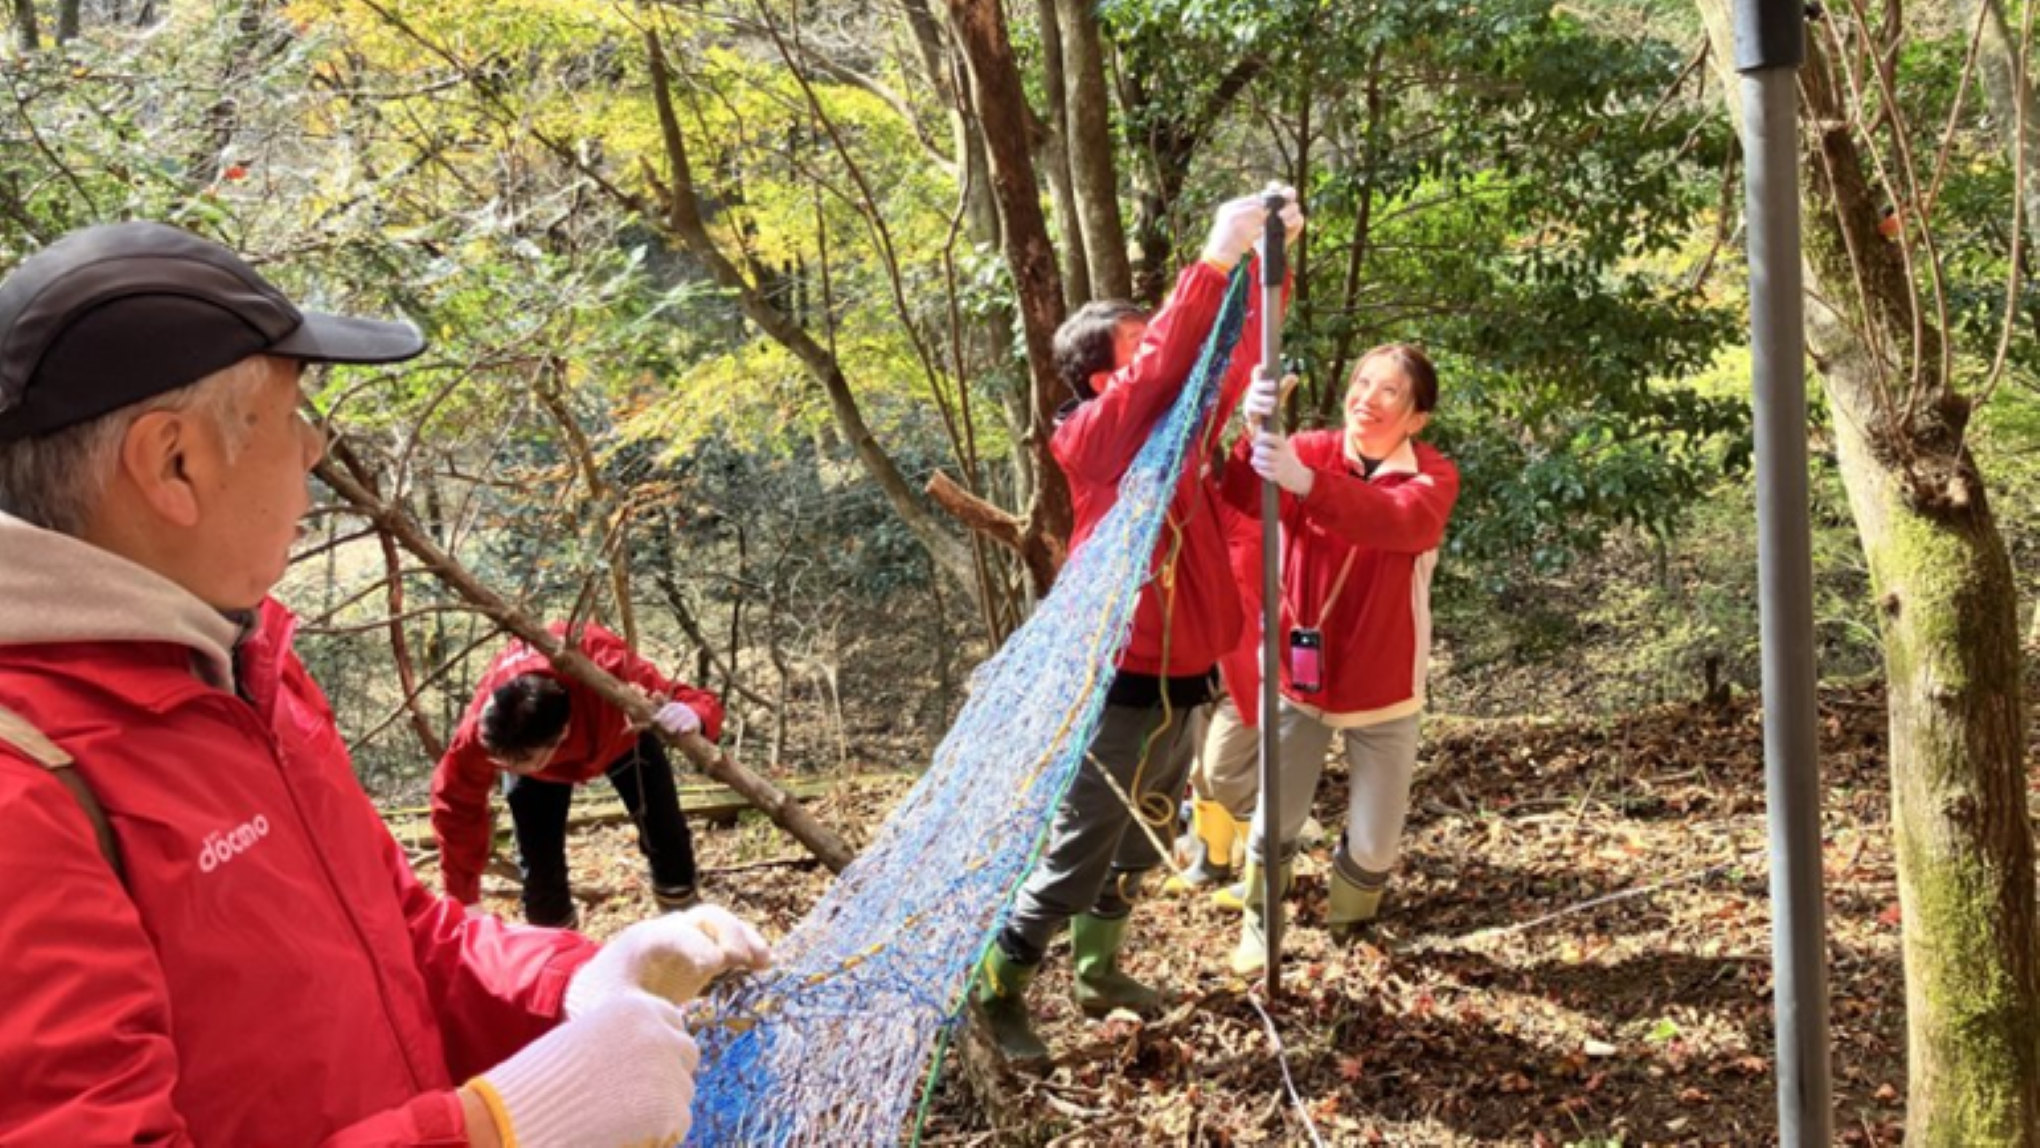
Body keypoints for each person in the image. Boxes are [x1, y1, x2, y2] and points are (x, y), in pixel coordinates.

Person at [0, 221, 771, 1146]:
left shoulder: (249, 670)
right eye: (293, 417)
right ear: (175, 463)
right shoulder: (26, 787)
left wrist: (575, 979)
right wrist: (493, 1128)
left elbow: (403, 942)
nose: (316, 449)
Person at [970, 189, 1302, 1064]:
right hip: (1117, 678)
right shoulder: (1093, 438)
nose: (1162, 349)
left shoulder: (1179, 436)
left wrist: (1272, 265)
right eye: (1142, 341)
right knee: (1081, 846)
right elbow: (1171, 366)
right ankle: (998, 990)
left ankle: (1098, 971)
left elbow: (1225, 360)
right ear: (1103, 375)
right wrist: (1214, 258)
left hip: (1186, 676)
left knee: (1143, 831)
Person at [1218, 344, 1460, 975]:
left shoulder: (1432, 476)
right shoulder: (1314, 448)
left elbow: (1400, 522)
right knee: (1279, 815)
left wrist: (1305, 483)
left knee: (1377, 836)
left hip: (1386, 682)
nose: (1367, 399)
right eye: (1361, 383)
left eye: (1389, 392)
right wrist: (1253, 434)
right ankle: (1260, 924)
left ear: (1416, 418)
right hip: (1303, 679)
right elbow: (1243, 498)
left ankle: (1352, 926)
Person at [433, 623, 723, 927]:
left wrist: (695, 717)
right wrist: (463, 898)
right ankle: (559, 959)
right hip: (540, 770)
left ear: (563, 734)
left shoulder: (606, 664)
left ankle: (690, 932)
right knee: (540, 870)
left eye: (519, 763)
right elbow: (455, 807)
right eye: (502, 764)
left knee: (666, 833)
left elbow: (689, 696)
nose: (505, 770)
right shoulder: (483, 735)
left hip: (622, 736)